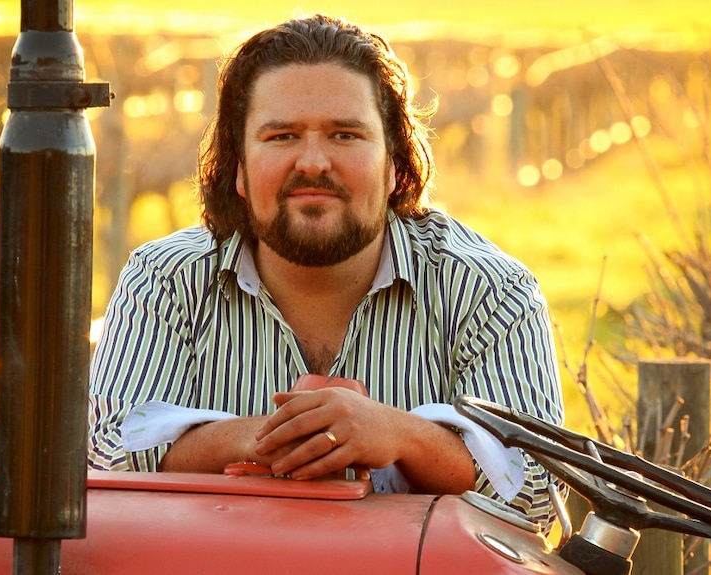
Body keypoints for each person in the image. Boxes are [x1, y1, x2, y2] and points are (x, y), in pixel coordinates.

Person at [88, 13, 564, 523]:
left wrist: (398, 436)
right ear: (240, 170)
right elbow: (105, 454)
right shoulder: (163, 279)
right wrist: (275, 434)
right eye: (282, 137)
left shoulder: (490, 289)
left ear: (395, 168)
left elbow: (539, 492)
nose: (313, 162)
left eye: (344, 135)